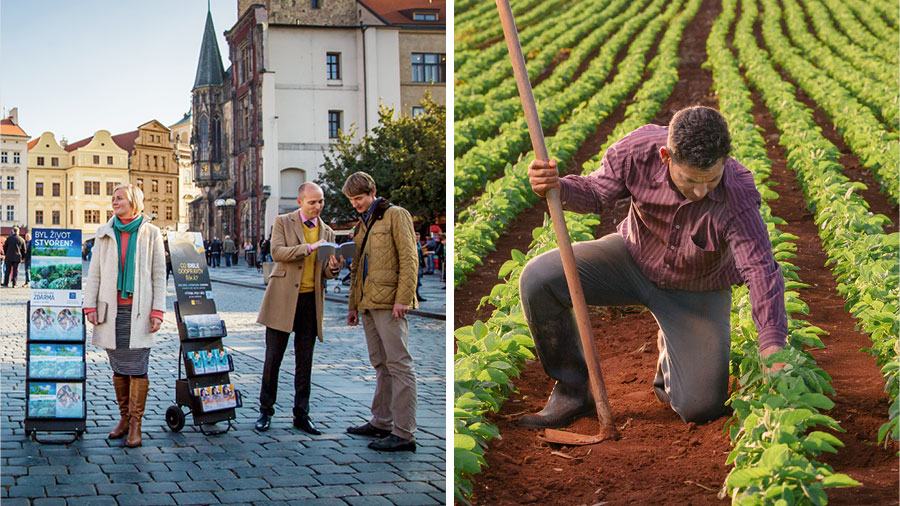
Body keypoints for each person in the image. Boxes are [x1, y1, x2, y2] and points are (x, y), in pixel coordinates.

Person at [519, 106, 787, 428]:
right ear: (665, 157)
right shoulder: (636, 152)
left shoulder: (738, 195)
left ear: (725, 162)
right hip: (632, 260)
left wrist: (772, 347)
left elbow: (760, 270)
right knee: (539, 279)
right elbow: (594, 193)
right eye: (690, 180)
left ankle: (672, 358)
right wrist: (558, 186)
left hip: (695, 288)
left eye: (711, 179)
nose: (701, 191)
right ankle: (573, 392)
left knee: (700, 408)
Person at [255, 182, 342, 434]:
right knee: (273, 359)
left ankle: (301, 414)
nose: (318, 206)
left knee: (305, 362)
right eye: (313, 202)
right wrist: (309, 248)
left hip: (309, 301)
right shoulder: (283, 221)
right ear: (300, 201)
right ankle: (265, 411)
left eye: (321, 201)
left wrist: (333, 267)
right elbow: (277, 252)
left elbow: (325, 271)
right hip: (282, 299)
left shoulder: (328, 231)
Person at [83, 184, 166, 447]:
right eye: (113, 198)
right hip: (112, 310)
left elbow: (159, 276)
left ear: (133, 201)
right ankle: (124, 419)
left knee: (138, 367)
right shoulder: (104, 233)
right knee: (118, 366)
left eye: (119, 198)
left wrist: (158, 310)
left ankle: (136, 424)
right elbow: (94, 272)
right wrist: (90, 306)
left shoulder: (151, 233)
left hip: (139, 311)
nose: (114, 201)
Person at [343, 172, 419, 452]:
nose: (356, 204)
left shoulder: (395, 215)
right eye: (352, 200)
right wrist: (353, 305)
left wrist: (403, 298)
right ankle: (381, 421)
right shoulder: (363, 223)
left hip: (390, 303)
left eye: (359, 198)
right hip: (367, 303)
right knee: (380, 364)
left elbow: (410, 258)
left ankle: (404, 432)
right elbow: (356, 268)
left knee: (399, 365)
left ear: (372, 192)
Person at [414, 232, 427, 302]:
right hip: (414, 264)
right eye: (416, 237)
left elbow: (420, 254)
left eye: (418, 237)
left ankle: (417, 295)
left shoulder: (418, 244)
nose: (417, 238)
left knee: (418, 281)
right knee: (415, 281)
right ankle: (415, 296)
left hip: (419, 263)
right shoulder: (412, 244)